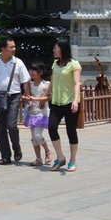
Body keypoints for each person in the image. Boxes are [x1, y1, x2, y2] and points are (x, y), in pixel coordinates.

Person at [0, 38, 29, 164]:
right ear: (3, 49)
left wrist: (27, 96)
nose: (14, 49)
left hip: (14, 96)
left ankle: (17, 148)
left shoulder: (18, 63)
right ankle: (5, 156)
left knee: (12, 125)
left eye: (14, 46)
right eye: (11, 47)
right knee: (1, 128)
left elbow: (25, 81)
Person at [48, 40, 81, 172]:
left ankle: (73, 160)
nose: (54, 50)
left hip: (69, 102)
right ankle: (60, 156)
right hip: (56, 102)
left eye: (56, 48)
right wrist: (44, 97)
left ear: (63, 49)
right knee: (51, 127)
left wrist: (75, 100)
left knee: (71, 131)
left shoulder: (74, 64)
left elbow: (77, 83)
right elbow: (52, 82)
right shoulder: (55, 63)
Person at [22, 62, 53, 167]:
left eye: (33, 70)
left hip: (42, 113)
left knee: (38, 135)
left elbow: (48, 97)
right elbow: (25, 96)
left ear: (40, 72)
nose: (30, 72)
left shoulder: (46, 84)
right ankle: (38, 158)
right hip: (32, 112)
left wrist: (36, 99)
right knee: (33, 138)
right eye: (30, 70)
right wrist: (26, 98)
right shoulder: (29, 84)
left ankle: (48, 151)